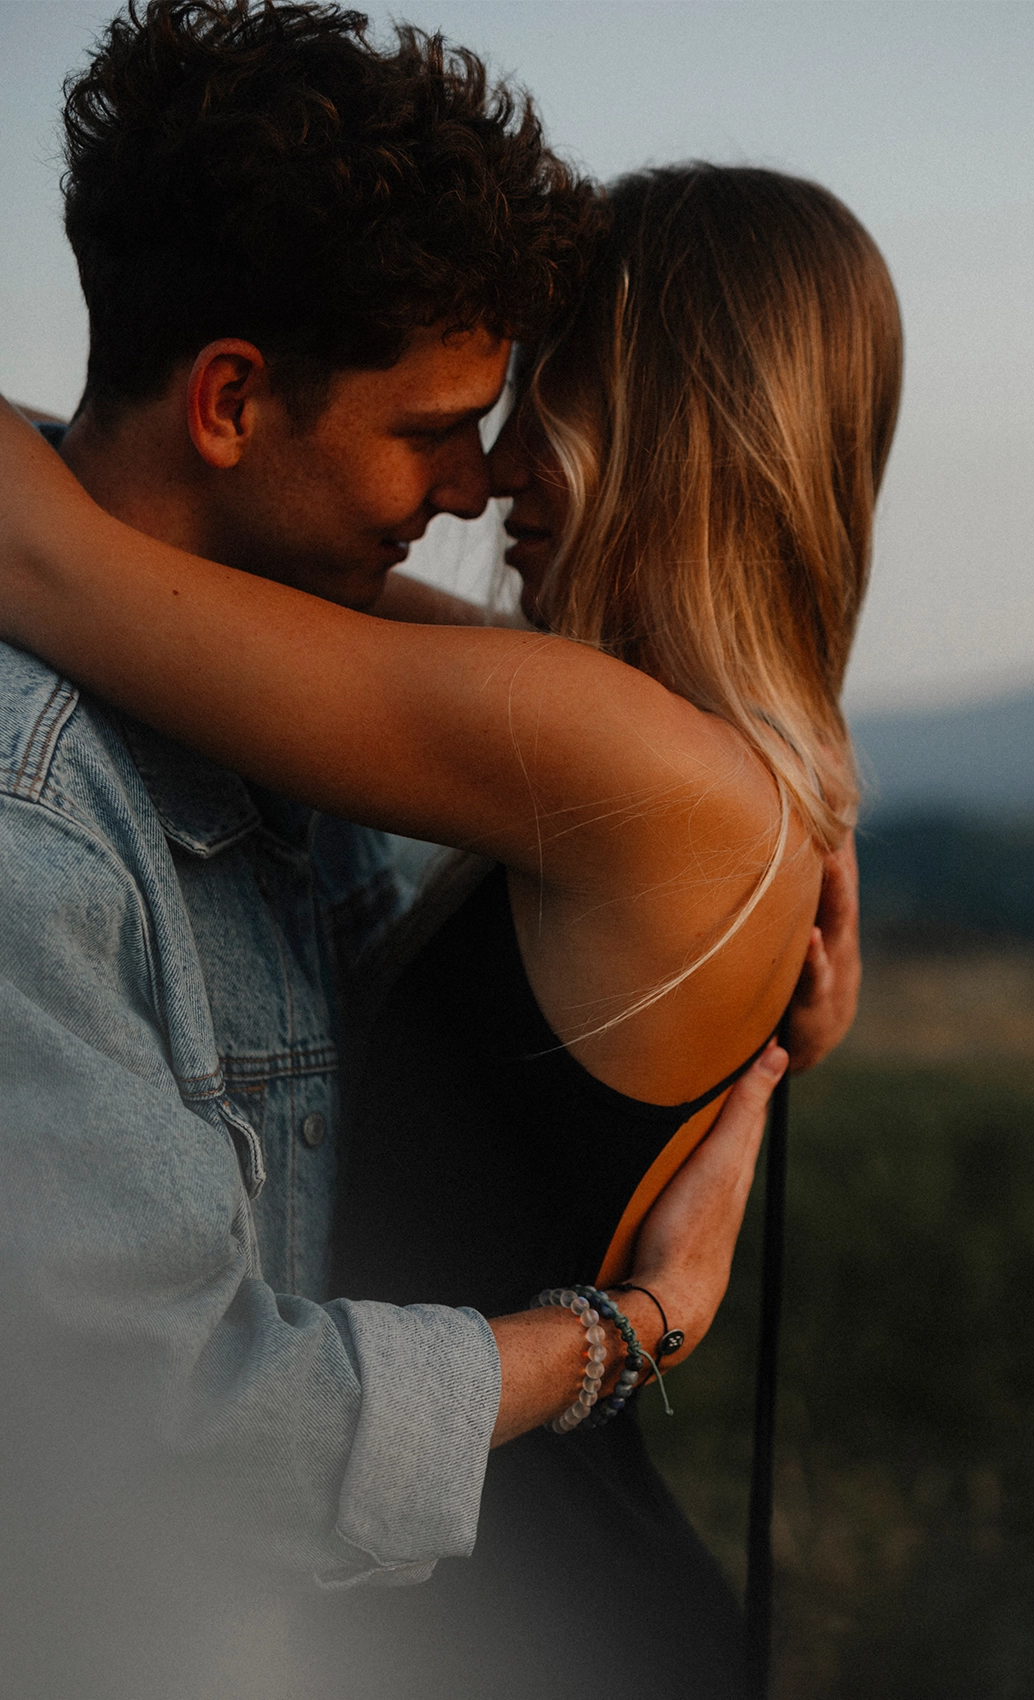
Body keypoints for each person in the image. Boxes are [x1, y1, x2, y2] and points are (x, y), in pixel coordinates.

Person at [0, 6, 859, 1691]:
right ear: (236, 397)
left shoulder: (572, 756)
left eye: (521, 410)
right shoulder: (83, 804)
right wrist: (630, 1332)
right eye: (453, 420)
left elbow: (63, 558)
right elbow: (186, 1437)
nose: (479, 486)